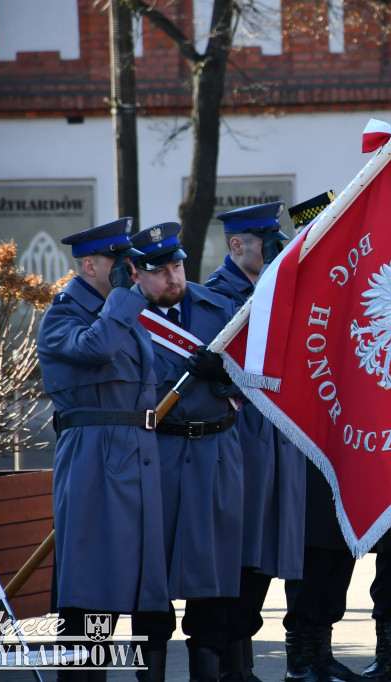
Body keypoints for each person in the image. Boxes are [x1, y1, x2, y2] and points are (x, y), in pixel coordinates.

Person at [37, 217, 170, 681]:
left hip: (137, 458)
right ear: (89, 264)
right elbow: (94, 350)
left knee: (145, 589)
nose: (127, 270)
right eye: (118, 262)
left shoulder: (122, 311)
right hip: (95, 460)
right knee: (92, 587)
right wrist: (123, 298)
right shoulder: (63, 315)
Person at [128, 221, 245, 682]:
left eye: (177, 266)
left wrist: (226, 374)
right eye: (160, 272)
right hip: (159, 453)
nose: (173, 278)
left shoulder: (222, 309)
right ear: (137, 274)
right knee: (150, 574)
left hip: (218, 450)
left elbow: (262, 377)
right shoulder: (126, 317)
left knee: (214, 573)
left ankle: (208, 671)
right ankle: (150, 670)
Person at [207, 201, 307, 682]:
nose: (272, 251)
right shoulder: (214, 297)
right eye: (265, 243)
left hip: (278, 439)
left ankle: (242, 658)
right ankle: (231, 663)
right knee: (239, 552)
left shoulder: (278, 290)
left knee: (268, 551)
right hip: (241, 439)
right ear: (237, 245)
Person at [276, 191, 363, 682]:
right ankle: (299, 658)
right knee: (310, 556)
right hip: (306, 445)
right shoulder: (286, 290)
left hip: (346, 443)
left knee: (340, 554)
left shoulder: (346, 294)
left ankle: (322, 650)